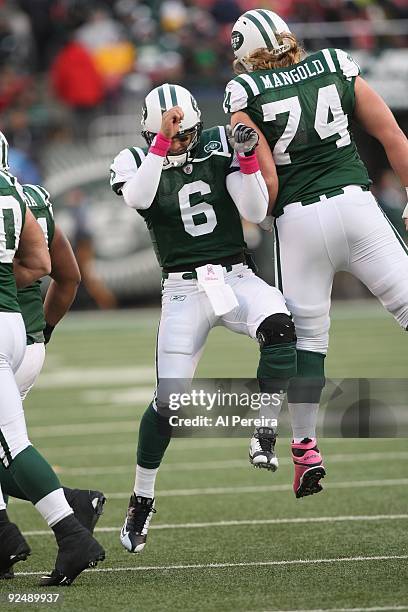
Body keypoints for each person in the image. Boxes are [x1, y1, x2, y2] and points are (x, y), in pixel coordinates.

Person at [223, 8, 408, 498]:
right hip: (357, 206)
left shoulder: (246, 94)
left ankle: (305, 449)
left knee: (307, 343)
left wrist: (254, 201)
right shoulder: (333, 64)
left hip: (299, 222)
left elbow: (267, 186)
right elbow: (392, 136)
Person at [110, 83, 297, 553]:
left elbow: (256, 210)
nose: (179, 142)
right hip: (183, 289)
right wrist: (159, 144)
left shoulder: (218, 139)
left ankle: (264, 428)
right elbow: (138, 197)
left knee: (279, 324)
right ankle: (142, 497)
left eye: (183, 134)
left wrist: (249, 158)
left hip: (232, 274)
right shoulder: (135, 159)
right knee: (168, 405)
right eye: (169, 136)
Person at [0, 135, 105, 585]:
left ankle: (69, 523)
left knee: (10, 444)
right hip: (21, 331)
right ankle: (4, 537)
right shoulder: (27, 194)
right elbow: (48, 265)